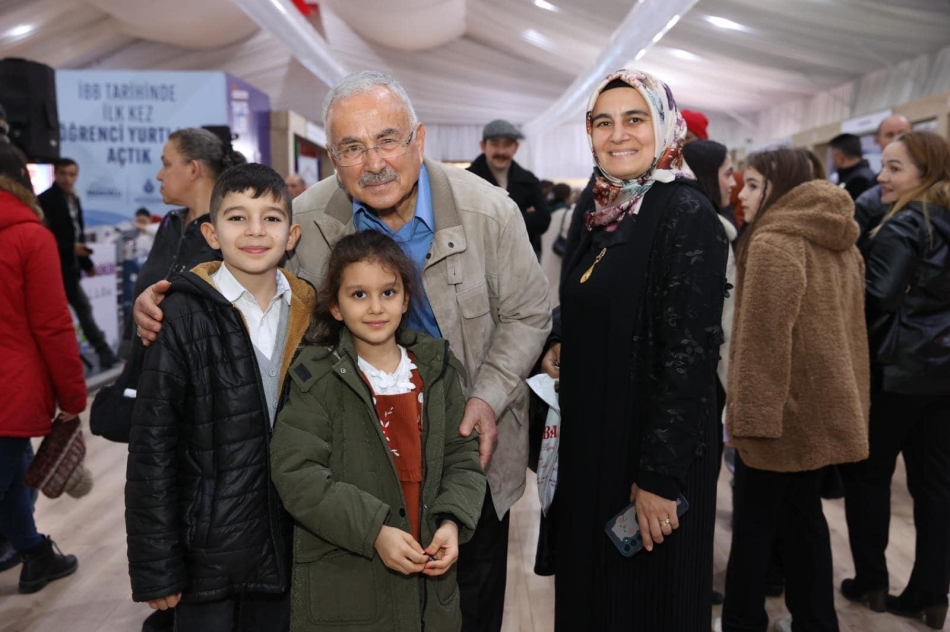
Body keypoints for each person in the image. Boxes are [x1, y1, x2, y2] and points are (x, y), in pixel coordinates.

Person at [133, 70, 551, 632]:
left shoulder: (489, 211)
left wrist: (487, 396)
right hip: (356, 473)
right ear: (333, 158)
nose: (373, 162)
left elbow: (529, 312)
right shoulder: (306, 219)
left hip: (466, 453)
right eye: (352, 148)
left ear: (419, 140)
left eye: (387, 140)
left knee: (466, 605)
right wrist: (178, 294)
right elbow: (251, 268)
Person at [545, 69, 727, 631]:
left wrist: (659, 478)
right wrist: (560, 337)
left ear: (665, 126)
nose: (618, 134)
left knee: (646, 606)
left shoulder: (685, 213)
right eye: (603, 122)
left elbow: (689, 357)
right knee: (592, 597)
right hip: (594, 440)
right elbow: (585, 295)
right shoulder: (600, 206)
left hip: (652, 451)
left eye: (634, 119)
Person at [125, 163, 315, 632]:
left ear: (291, 236)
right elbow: (152, 449)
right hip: (207, 555)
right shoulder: (180, 317)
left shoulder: (314, 315)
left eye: (271, 218)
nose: (255, 230)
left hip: (292, 543)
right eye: (237, 217)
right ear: (211, 233)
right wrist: (156, 565)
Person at [271, 230, 487, 630]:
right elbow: (297, 474)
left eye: (388, 293)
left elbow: (463, 459)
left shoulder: (436, 371)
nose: (375, 307)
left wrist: (451, 523)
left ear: (406, 299)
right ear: (335, 307)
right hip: (349, 586)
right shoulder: (315, 378)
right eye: (358, 295)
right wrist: (374, 532)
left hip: (428, 587)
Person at [721, 148, 870, 632]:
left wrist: (748, 421)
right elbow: (854, 334)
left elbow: (762, 342)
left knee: (755, 525)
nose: (741, 195)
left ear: (779, 187)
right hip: (823, 406)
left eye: (754, 185)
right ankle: (815, 621)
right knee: (803, 520)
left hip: (779, 411)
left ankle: (743, 621)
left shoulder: (773, 242)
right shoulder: (840, 239)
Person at [840, 130, 950, 630]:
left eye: (894, 167)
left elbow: (878, 294)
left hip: (895, 370)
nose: (881, 177)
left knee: (869, 477)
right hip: (942, 374)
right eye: (883, 165)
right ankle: (931, 593)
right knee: (935, 486)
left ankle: (872, 581)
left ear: (926, 174)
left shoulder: (907, 221)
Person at [0, 143, 86, 594]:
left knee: (16, 475)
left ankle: (33, 553)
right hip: (10, 387)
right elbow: (52, 325)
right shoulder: (29, 236)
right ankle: (33, 554)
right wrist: (72, 396)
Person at [37, 157, 118, 369]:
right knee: (67, 315)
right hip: (52, 269)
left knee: (82, 309)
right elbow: (43, 237)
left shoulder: (74, 199)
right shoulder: (45, 200)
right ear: (55, 174)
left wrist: (86, 262)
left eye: (71, 174)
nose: (67, 179)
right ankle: (96, 353)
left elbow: (77, 235)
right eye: (63, 174)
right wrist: (71, 249)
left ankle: (103, 353)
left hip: (70, 268)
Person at [467, 119, 551, 258]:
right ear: (483, 146)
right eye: (495, 144)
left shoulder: (528, 180)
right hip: (479, 258)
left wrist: (492, 218)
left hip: (520, 258)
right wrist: (523, 216)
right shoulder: (467, 179)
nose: (501, 151)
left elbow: (543, 220)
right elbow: (465, 223)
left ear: (516, 147)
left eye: (507, 145)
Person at [854, 114, 913, 253]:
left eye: (902, 134)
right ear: (877, 140)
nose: (897, 139)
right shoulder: (869, 200)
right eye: (889, 135)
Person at [829, 132, 877, 200]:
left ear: (840, 158)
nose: (833, 162)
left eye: (833, 157)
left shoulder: (858, 181)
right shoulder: (866, 174)